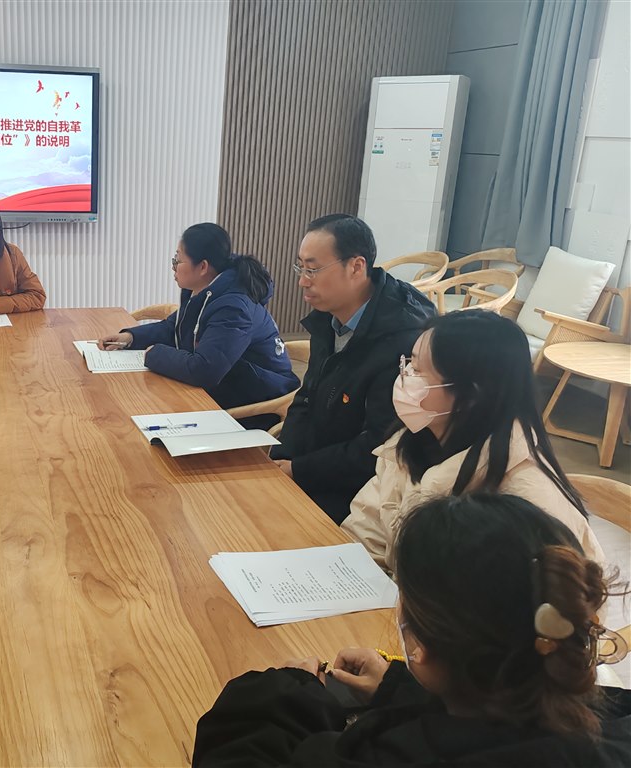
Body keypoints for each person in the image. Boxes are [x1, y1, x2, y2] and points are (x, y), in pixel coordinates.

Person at [193, 493, 631, 767]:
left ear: (421, 646)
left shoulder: (378, 754)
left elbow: (235, 752)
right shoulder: (606, 731)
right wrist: (401, 689)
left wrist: (284, 692)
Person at [343, 310, 604, 571]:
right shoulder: (408, 445)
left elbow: (553, 593)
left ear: (470, 396)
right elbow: (364, 529)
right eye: (409, 363)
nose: (404, 378)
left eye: (419, 371)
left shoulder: (528, 501)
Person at [270, 214, 435, 524]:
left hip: (360, 496)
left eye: (312, 269)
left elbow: (379, 445)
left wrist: (299, 470)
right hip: (313, 468)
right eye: (300, 267)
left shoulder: (403, 341)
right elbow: (306, 398)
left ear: (356, 267)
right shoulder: (329, 316)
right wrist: (282, 459)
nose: (303, 280)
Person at [97, 223, 298, 412]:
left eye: (178, 261)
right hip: (224, 388)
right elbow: (172, 328)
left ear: (202, 267)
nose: (173, 267)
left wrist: (154, 354)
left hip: (258, 402)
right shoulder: (203, 289)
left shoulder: (233, 307)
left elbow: (205, 370)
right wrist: (130, 337)